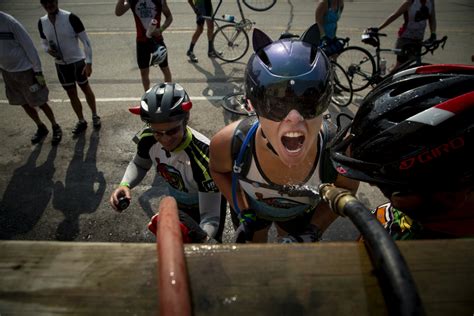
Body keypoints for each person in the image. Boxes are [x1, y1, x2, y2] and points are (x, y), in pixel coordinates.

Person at [209, 24, 359, 243]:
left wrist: (312, 230)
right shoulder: (228, 143)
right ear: (253, 107)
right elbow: (217, 170)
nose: (294, 118)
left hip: (275, 211)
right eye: (277, 104)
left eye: (309, 101)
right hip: (263, 210)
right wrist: (244, 210)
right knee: (259, 249)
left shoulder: (339, 150)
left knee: (286, 254)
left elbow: (347, 187)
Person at [330, 64, 474, 239]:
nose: (373, 185)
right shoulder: (448, 215)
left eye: (389, 186)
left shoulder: (392, 240)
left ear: (450, 197)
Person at [110, 82, 226, 243]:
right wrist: (125, 184)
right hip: (178, 204)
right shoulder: (147, 137)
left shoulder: (204, 156)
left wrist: (203, 239)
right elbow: (140, 164)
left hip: (203, 208)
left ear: (186, 120)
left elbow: (210, 218)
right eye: (158, 132)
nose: (165, 139)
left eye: (172, 131)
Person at [38, 0, 101, 135]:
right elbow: (43, 43)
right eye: (45, 2)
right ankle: (81, 120)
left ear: (56, 1)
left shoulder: (70, 17)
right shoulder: (42, 22)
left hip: (77, 62)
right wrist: (48, 50)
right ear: (42, 4)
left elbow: (86, 41)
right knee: (71, 94)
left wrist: (89, 63)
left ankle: (95, 115)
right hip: (61, 65)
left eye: (52, 1)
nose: (49, 5)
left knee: (85, 88)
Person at [0, 11, 62, 145]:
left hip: (25, 71)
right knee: (22, 102)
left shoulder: (10, 23)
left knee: (40, 101)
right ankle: (41, 126)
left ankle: (55, 126)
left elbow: (29, 47)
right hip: (7, 72)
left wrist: (38, 72)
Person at [115, 0, 173, 91]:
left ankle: (169, 93)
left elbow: (169, 17)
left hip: (157, 40)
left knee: (165, 68)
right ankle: (147, 96)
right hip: (141, 42)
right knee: (144, 72)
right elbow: (118, 12)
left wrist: (161, 29)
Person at [369, 0, 437, 70]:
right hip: (405, 38)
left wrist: (433, 33)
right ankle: (389, 78)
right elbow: (395, 15)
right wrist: (379, 28)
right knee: (400, 66)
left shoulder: (430, 2)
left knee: (414, 66)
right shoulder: (410, 2)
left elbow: (432, 18)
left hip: (418, 39)